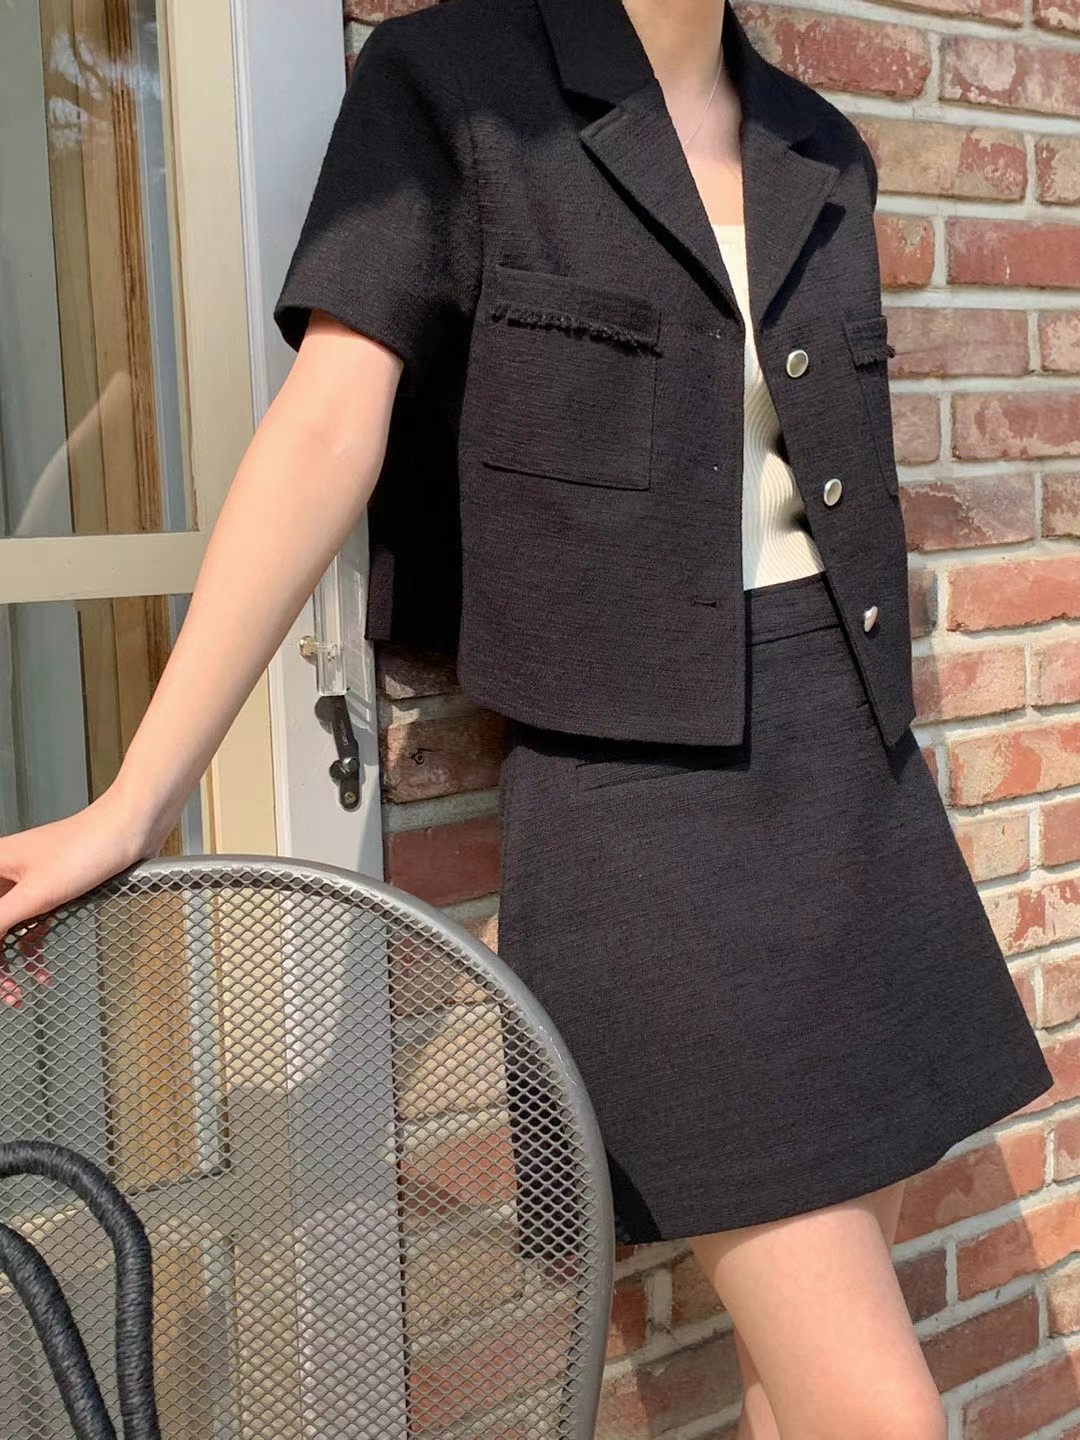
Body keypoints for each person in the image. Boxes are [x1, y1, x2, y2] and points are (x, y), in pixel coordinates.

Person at [0, 1, 1054, 1436]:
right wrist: (137, 799)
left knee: (798, 1376)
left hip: (851, 785)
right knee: (883, 1413)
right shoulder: (456, 88)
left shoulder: (820, 146)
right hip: (638, 818)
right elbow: (325, 428)